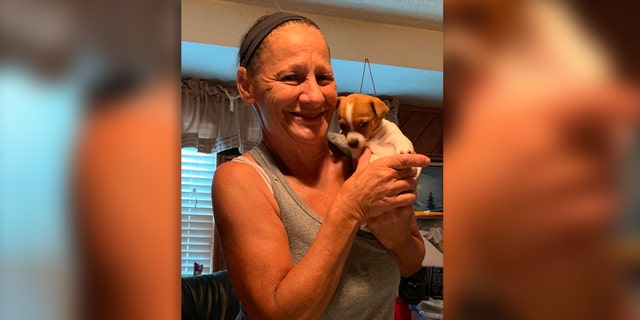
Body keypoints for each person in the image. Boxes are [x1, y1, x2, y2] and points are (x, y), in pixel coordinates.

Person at [211, 12, 430, 319]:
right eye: (291, 77)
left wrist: (393, 236)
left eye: (324, 78)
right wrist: (351, 209)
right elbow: (279, 314)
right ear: (247, 86)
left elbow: (411, 262)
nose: (315, 96)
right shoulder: (242, 180)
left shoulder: (366, 154)